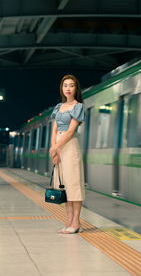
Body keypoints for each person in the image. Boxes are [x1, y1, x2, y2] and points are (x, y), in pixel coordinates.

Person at [49, 74, 86, 234]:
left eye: (71, 85)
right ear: (62, 88)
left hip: (70, 147)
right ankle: (68, 222)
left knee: (73, 186)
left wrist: (56, 146)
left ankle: (76, 223)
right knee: (63, 186)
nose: (68, 89)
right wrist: (54, 150)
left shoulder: (78, 107)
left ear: (76, 88)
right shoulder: (58, 107)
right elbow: (54, 130)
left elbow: (70, 131)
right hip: (58, 147)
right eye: (65, 86)